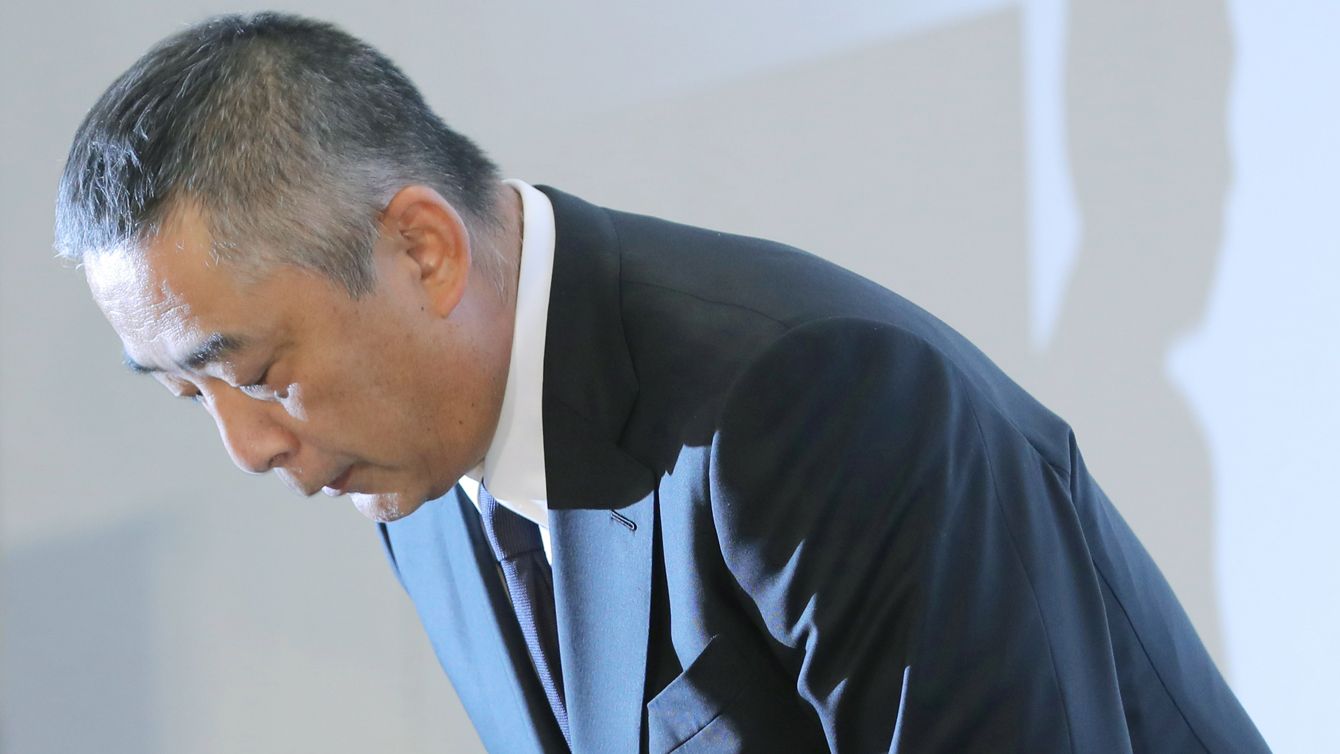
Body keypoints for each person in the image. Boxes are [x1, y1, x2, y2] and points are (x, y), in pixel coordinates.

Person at [55, 12, 1269, 754]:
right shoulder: (410, 484)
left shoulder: (810, 398)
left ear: (422, 248)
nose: (248, 447)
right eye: (187, 397)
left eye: (258, 374)